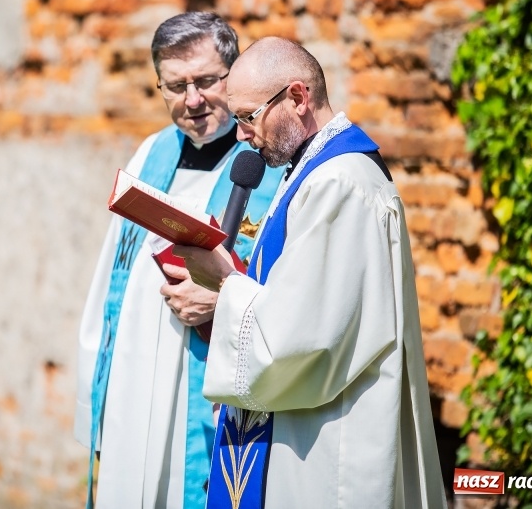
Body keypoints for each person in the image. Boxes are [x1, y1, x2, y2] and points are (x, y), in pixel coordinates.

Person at [174, 37, 448, 508]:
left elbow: (296, 343)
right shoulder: (311, 173)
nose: (240, 135)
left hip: (324, 449)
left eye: (247, 116)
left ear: (299, 98)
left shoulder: (340, 184)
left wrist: (224, 280)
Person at [74, 14, 285, 508]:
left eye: (207, 81)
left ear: (233, 76)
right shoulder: (151, 153)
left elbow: (294, 292)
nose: (192, 100)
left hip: (205, 398)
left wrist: (224, 300)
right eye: (175, 86)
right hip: (131, 384)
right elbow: (110, 277)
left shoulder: (269, 164)